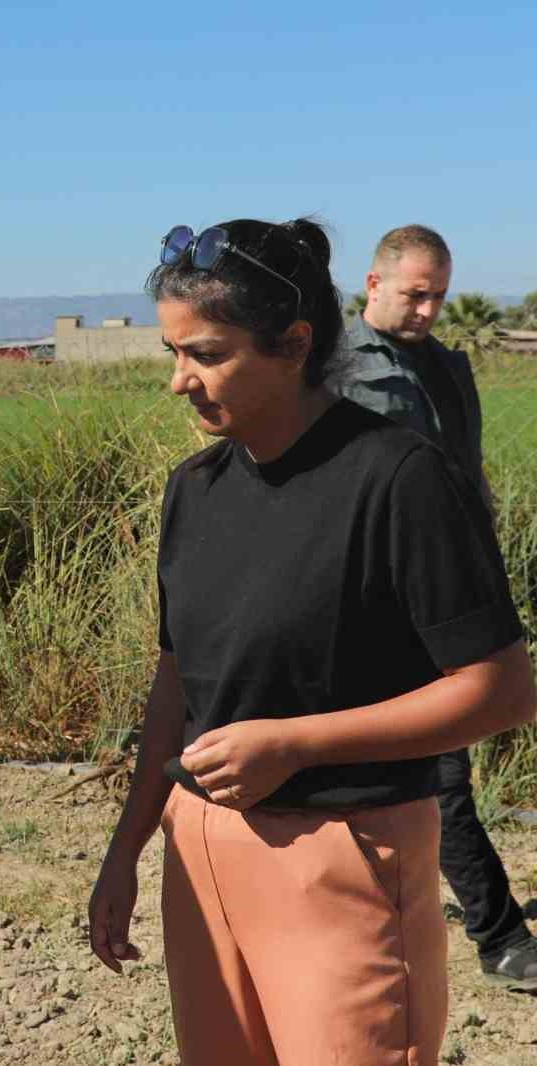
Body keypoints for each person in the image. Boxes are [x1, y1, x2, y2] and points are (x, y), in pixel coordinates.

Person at [87, 218, 535, 1065]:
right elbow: (176, 686)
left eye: (207, 355)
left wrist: (295, 744)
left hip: (347, 860)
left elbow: (501, 690)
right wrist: (127, 852)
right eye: (172, 353)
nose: (180, 382)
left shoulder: (399, 479)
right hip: (204, 857)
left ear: (294, 344)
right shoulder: (196, 491)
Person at [336, 224, 537, 986]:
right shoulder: (337, 370)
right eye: (416, 293)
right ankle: (500, 936)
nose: (428, 308)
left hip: (457, 590)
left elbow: (468, 477)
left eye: (440, 295)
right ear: (374, 285)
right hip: (384, 601)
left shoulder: (447, 367)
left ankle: (388, 901)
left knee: (430, 763)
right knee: (441, 769)